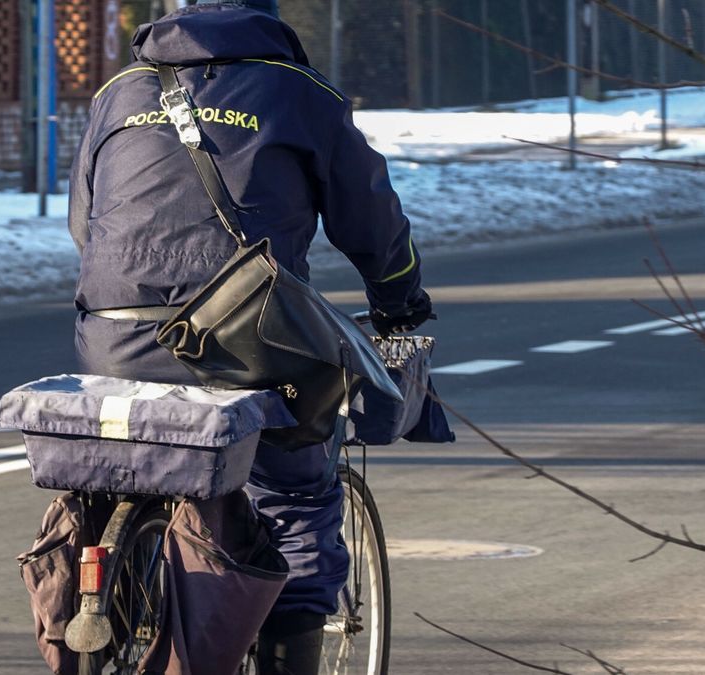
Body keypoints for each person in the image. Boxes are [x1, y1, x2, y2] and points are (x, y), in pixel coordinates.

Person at [67, 0, 432, 671]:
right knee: (294, 493)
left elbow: (85, 226)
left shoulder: (118, 93)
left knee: (136, 471)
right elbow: (374, 225)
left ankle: (131, 583)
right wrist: (400, 306)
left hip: (114, 339)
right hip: (243, 345)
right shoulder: (301, 93)